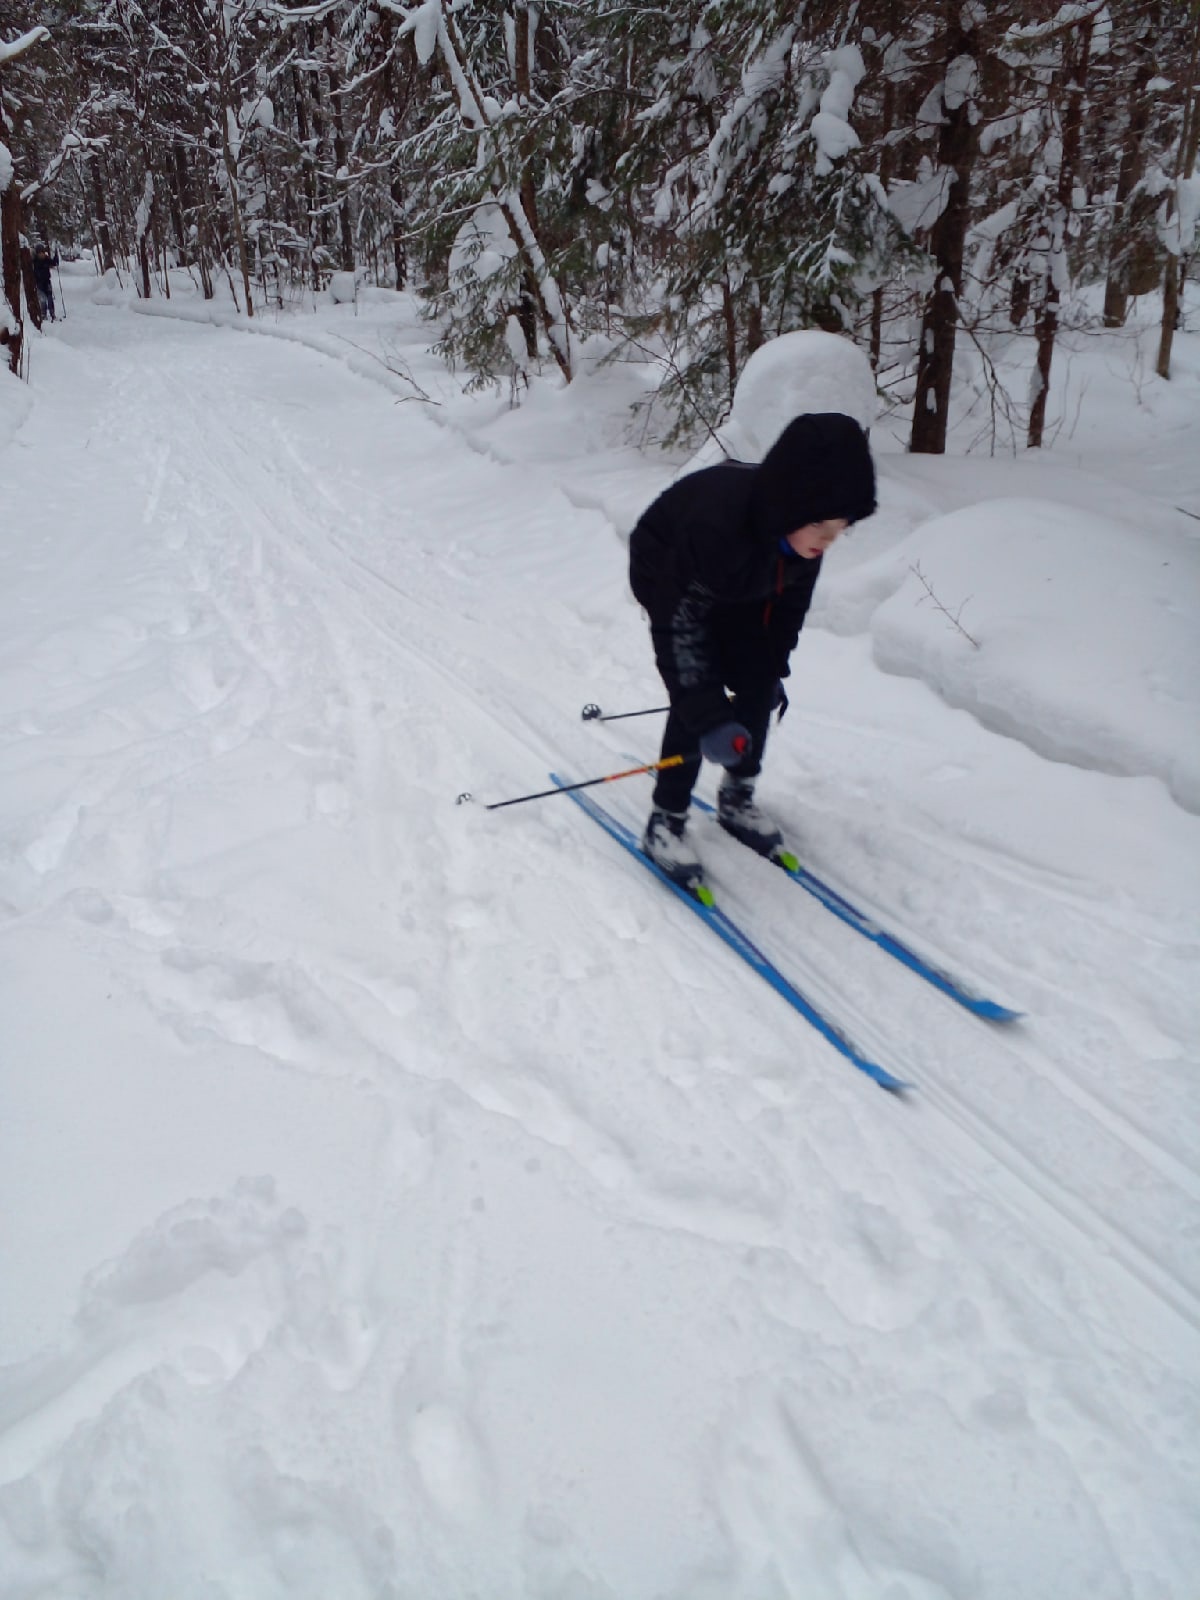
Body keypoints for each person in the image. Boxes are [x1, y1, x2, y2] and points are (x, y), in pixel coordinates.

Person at [628, 411, 877, 891]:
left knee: (758, 681)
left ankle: (737, 795)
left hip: (744, 583)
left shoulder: (806, 546)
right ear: (790, 504)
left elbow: (786, 615)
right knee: (699, 692)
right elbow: (681, 633)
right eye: (822, 523)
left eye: (842, 525)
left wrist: (768, 672)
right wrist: (709, 714)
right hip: (668, 570)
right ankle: (667, 817)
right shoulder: (714, 529)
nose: (830, 539)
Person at [32, 244, 59, 322]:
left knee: (50, 297)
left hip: (47, 282)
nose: (41, 254)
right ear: (37, 253)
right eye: (39, 253)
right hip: (39, 283)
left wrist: (56, 257)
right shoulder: (35, 261)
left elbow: (53, 263)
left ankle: (52, 313)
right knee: (42, 299)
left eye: (42, 252)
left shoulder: (47, 259)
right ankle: (43, 314)